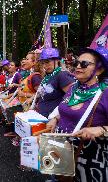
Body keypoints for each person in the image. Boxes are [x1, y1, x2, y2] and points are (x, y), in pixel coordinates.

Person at [46, 47, 108, 182]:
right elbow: (65, 109)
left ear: (99, 69)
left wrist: (101, 129)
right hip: (62, 154)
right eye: (76, 63)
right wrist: (55, 119)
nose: (78, 66)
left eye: (84, 64)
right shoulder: (74, 88)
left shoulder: (105, 93)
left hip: (89, 162)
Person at [35, 48, 75, 117]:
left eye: (47, 62)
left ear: (57, 60)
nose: (44, 66)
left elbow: (73, 97)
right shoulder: (47, 75)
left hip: (53, 121)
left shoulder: (62, 75)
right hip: (42, 116)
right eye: (42, 63)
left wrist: (57, 117)